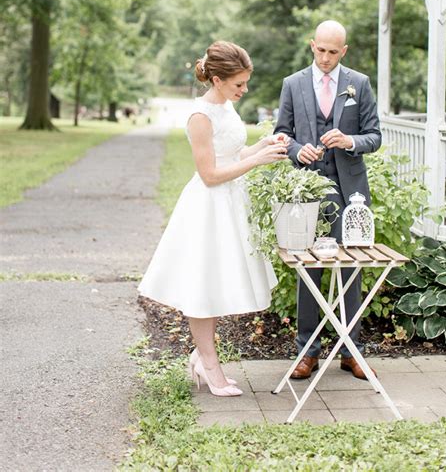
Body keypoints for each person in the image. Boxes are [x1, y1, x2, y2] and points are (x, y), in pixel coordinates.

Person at [138, 41, 288, 397]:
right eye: (239, 84)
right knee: (204, 289)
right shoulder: (200, 117)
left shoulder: (226, 107)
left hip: (232, 205)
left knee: (218, 285)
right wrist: (255, 162)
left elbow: (233, 153)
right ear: (217, 80)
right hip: (208, 208)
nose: (244, 89)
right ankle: (209, 364)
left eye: (245, 82)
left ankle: (201, 357)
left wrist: (264, 146)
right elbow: (210, 174)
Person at [274, 20, 381, 380]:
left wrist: (350, 141)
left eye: (333, 52)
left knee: (351, 267)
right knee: (309, 269)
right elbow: (281, 134)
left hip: (351, 189)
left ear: (344, 52)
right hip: (307, 190)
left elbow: (374, 136)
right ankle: (308, 351)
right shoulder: (293, 84)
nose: (325, 57)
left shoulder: (359, 84)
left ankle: (352, 351)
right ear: (312, 45)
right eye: (320, 49)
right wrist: (295, 149)